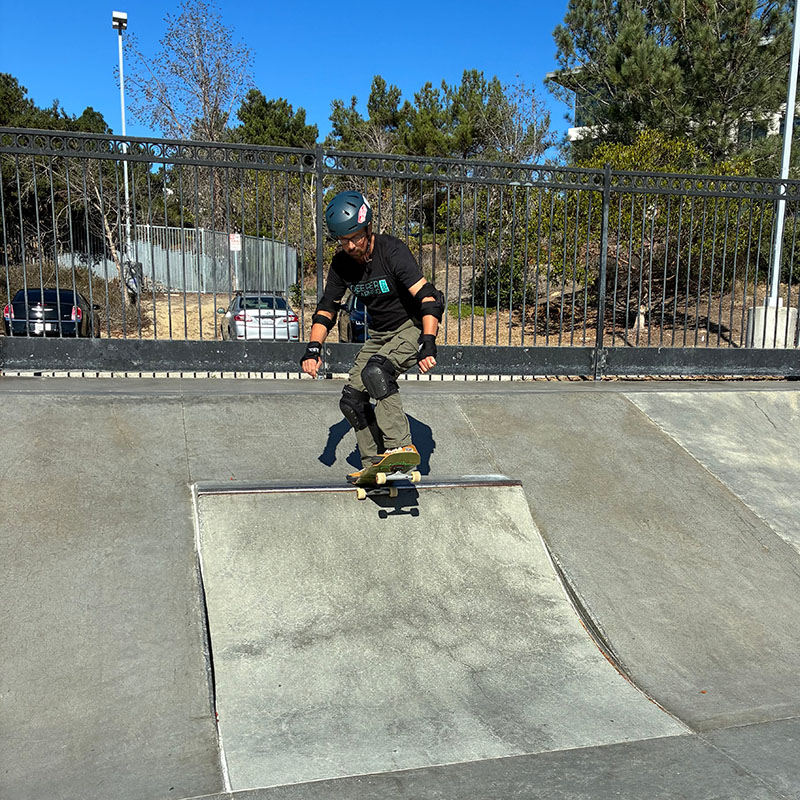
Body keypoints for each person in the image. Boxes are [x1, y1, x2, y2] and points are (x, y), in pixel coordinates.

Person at [300, 190, 444, 481]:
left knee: (377, 372)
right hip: (379, 334)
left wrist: (428, 342)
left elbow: (429, 297)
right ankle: (374, 464)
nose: (351, 246)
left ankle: (399, 447)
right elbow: (327, 308)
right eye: (343, 241)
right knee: (351, 400)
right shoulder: (341, 264)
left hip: (411, 326)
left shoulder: (392, 251)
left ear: (368, 228)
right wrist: (313, 348)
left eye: (355, 237)